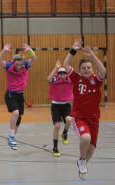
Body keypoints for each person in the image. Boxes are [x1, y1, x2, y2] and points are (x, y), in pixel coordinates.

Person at [63, 39, 106, 180]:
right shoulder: (76, 78)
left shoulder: (96, 81)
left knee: (92, 148)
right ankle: (81, 160)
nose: (86, 69)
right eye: (84, 68)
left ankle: (82, 164)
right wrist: (73, 50)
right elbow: (66, 65)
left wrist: (92, 56)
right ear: (80, 71)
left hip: (94, 118)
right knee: (85, 137)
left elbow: (103, 71)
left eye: (89, 67)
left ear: (92, 70)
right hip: (79, 116)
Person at [0, 43, 37, 150]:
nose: (18, 67)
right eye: (16, 65)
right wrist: (4, 51)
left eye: (20, 64)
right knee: (15, 113)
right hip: (10, 93)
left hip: (20, 94)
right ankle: (11, 135)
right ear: (13, 63)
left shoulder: (25, 66)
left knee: (18, 118)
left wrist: (30, 50)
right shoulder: (9, 66)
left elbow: (34, 58)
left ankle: (12, 137)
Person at [47, 60, 73, 157]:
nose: (62, 75)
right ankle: (55, 147)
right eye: (60, 74)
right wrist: (56, 68)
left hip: (66, 104)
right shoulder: (55, 79)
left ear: (66, 74)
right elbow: (49, 78)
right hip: (56, 105)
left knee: (69, 119)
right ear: (58, 75)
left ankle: (65, 133)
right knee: (57, 126)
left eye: (64, 73)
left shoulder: (70, 80)